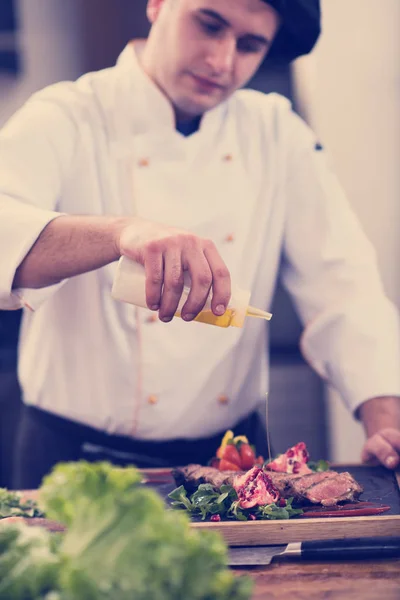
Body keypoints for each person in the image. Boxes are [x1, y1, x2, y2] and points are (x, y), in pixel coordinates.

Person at [0, 0, 399, 490]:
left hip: (229, 461)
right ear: (158, 4)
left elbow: (345, 290)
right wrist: (121, 233)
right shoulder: (67, 114)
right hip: (74, 461)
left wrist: (387, 420)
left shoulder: (277, 133)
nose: (222, 61)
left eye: (250, 45)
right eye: (209, 25)